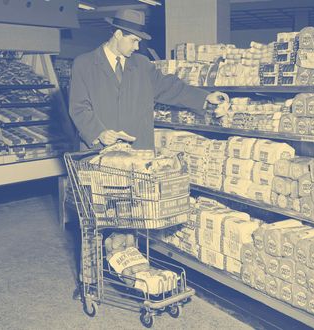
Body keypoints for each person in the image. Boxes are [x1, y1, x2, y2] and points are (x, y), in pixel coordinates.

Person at [69, 8, 225, 300]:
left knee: (131, 219)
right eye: (133, 40)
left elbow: (171, 89)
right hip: (99, 159)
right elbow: (79, 107)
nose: (138, 46)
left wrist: (205, 98)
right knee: (94, 221)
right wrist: (101, 133)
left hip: (137, 160)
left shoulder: (142, 66)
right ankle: (89, 281)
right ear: (117, 35)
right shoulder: (84, 64)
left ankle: (133, 278)